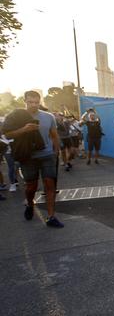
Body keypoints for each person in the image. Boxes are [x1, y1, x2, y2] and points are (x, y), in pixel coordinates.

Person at [3, 90, 64, 228]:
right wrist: (24, 129)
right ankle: (30, 204)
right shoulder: (16, 116)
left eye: (36, 102)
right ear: (24, 101)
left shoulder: (48, 117)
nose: (34, 105)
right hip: (28, 157)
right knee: (31, 187)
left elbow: (54, 135)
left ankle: (51, 216)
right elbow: (7, 134)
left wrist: (56, 153)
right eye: (30, 102)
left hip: (47, 155)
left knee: (50, 185)